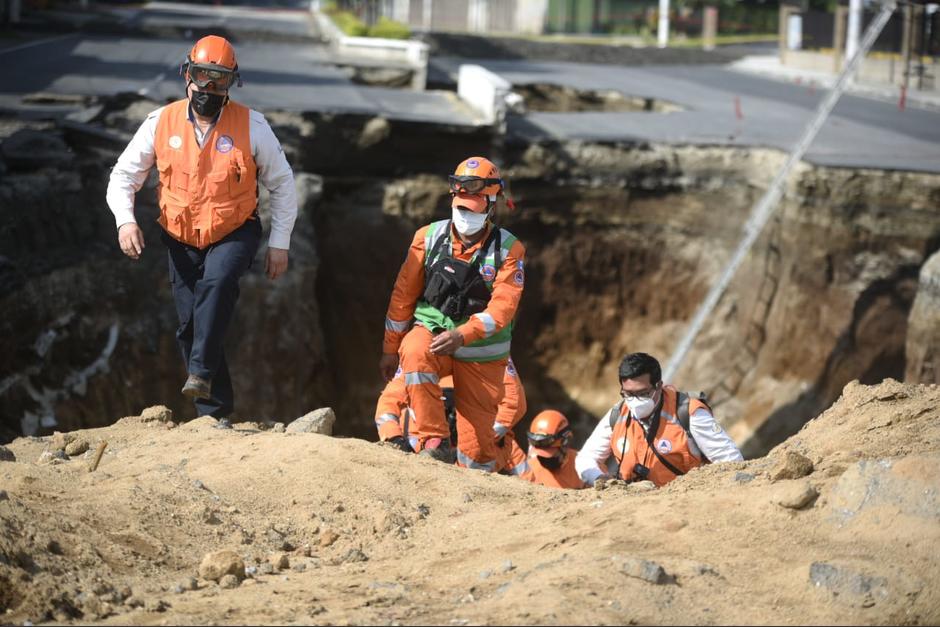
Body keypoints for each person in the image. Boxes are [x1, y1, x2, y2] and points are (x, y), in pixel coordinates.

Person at [106, 35, 297, 420]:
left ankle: (201, 373)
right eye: (201, 77)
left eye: (219, 81)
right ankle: (213, 414)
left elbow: (283, 184)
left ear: (232, 83)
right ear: (186, 75)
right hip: (180, 237)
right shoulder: (160, 123)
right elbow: (124, 176)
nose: (208, 89)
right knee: (191, 326)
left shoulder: (252, 126)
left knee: (217, 283)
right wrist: (126, 221)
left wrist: (280, 243)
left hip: (235, 230)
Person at [378, 156, 525, 471]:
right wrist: (390, 349)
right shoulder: (427, 238)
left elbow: (503, 306)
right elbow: (402, 296)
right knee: (415, 350)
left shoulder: (509, 250)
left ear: (492, 205)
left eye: (472, 208)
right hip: (434, 335)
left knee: (477, 452)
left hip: (481, 356)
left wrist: (463, 334)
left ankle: (482, 499)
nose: (465, 214)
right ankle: (434, 441)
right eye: (460, 206)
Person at [575, 352, 743, 488]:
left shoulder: (687, 413)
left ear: (659, 385)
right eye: (628, 394)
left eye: (643, 393)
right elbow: (585, 459)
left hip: (684, 503)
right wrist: (601, 480)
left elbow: (731, 461)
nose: (635, 401)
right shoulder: (618, 414)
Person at [374, 357, 529, 475]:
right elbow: (388, 402)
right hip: (420, 440)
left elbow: (513, 403)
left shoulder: (490, 347)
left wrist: (485, 436)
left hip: (477, 441)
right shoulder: (421, 347)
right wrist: (395, 440)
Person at [521, 410, 586, 489]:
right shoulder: (528, 472)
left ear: (565, 443)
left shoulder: (586, 466)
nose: (545, 459)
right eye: (540, 454)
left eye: (550, 454)